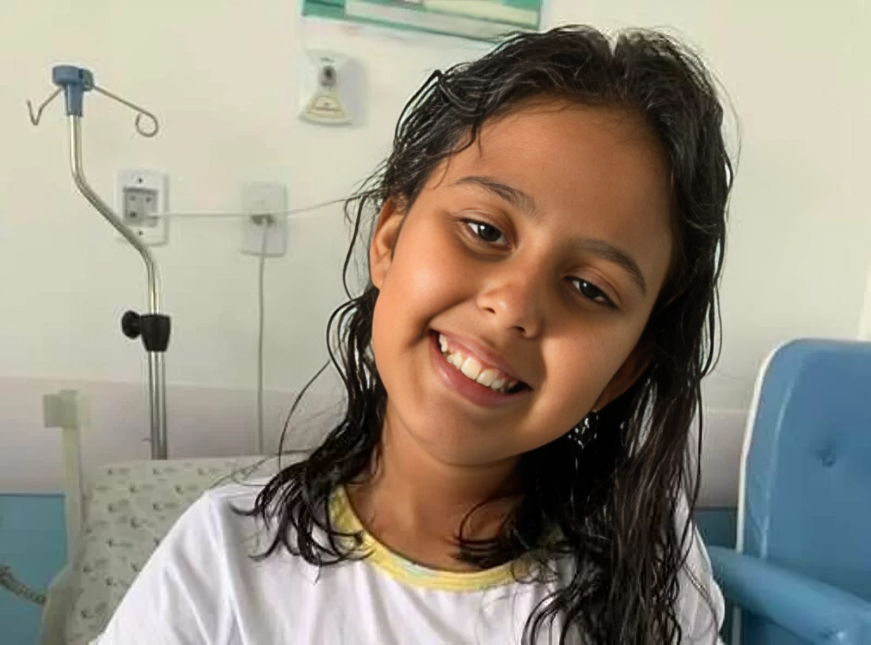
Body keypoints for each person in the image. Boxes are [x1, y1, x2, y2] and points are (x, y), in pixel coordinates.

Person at [94, 24, 732, 644]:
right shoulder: (224, 559)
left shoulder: (649, 567)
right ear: (391, 239)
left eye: (590, 288)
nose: (513, 306)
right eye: (484, 230)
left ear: (624, 368)